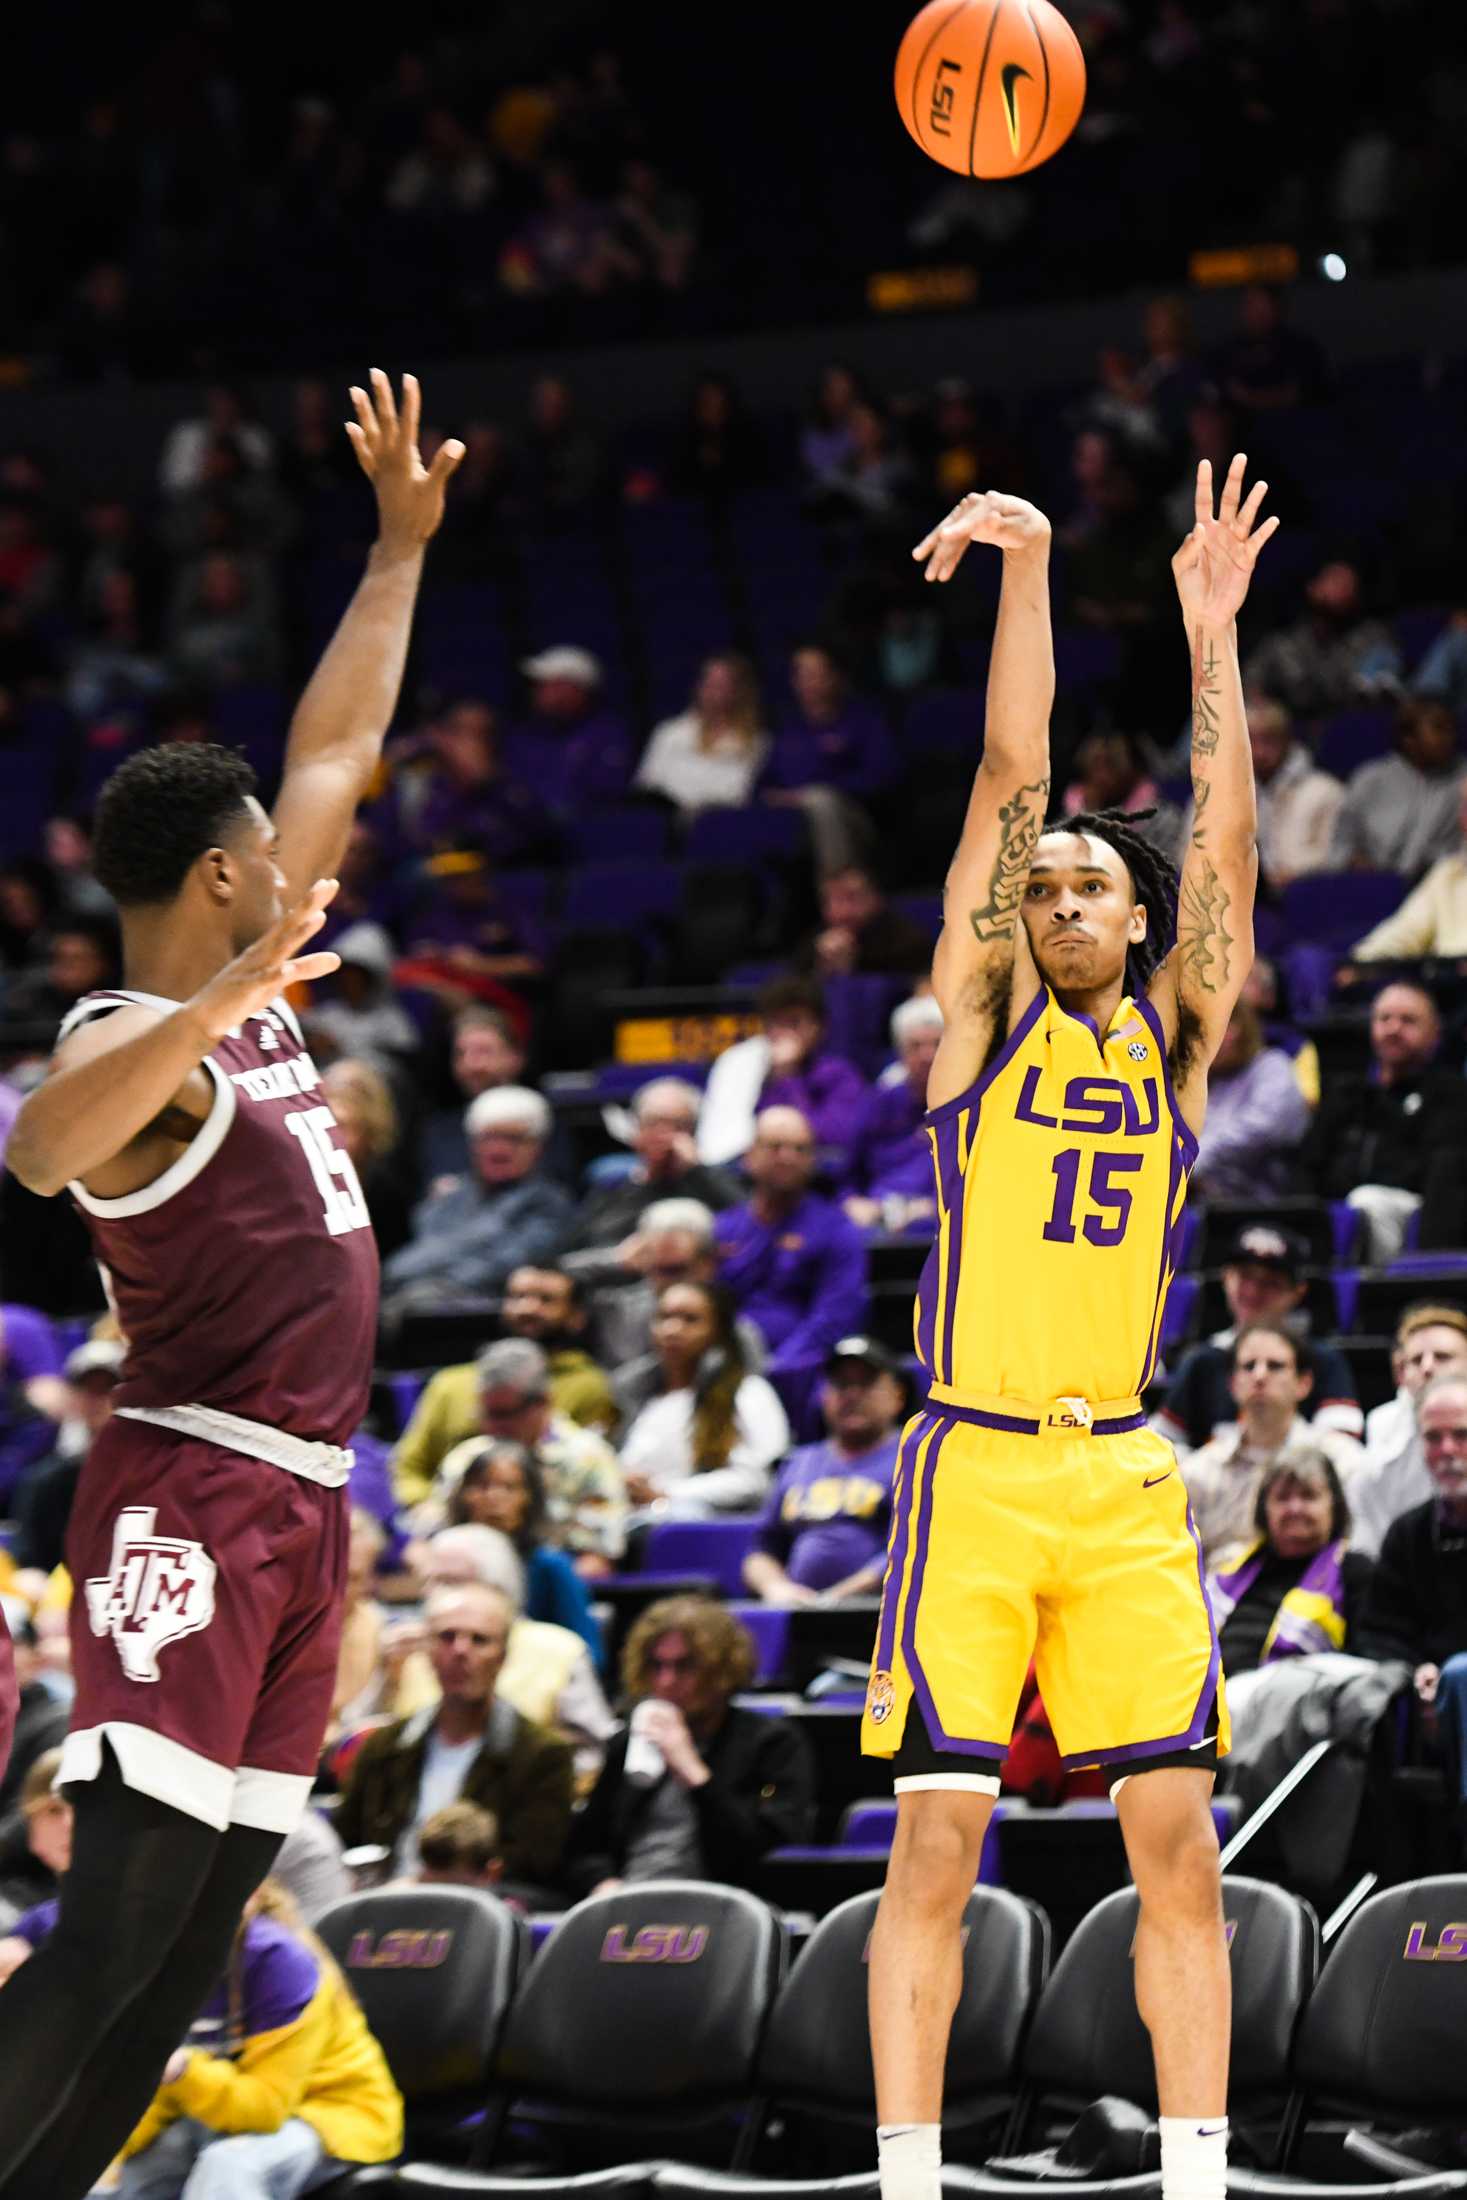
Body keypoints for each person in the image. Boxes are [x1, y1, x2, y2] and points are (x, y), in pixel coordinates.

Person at [0, 369, 463, 2200]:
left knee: (189, 1964)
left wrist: (397, 551)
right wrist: (224, 996)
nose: (303, 847)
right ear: (215, 877)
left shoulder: (241, 980)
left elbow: (339, 743)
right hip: (190, 1493)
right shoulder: (147, 1039)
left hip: (308, 1513)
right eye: (266, 849)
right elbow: (36, 1148)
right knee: (111, 1935)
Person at [863, 456, 1280, 2200]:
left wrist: (1210, 641)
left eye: (1084, 886)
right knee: (934, 1846)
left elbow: (1230, 845)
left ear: (1135, 907)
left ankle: (1194, 2177)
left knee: (1173, 1846)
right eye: (1034, 893)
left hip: (1115, 1481)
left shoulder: (1180, 1042)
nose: (1055, 903)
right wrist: (1026, 568)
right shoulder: (983, 1028)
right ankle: (905, 2178)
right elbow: (1006, 772)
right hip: (968, 1466)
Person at [100, 1874, 402, 2194]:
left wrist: (181, 2069)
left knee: (229, 2166)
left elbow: (265, 2108)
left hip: (330, 2113)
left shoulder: (281, 1961)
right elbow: (156, 2094)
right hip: (216, 2116)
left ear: (251, 1894)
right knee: (133, 2170)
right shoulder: (167, 1963)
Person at [332, 1580, 574, 1885]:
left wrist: (427, 1883)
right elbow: (344, 1841)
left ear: (502, 1655)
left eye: (479, 1640)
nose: (461, 1651)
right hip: (380, 1904)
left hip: (478, 1911)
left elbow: (534, 1862)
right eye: (447, 1637)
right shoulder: (383, 1747)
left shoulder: (542, 1755)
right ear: (427, 1650)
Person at [566, 1595, 814, 1894]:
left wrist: (693, 1772)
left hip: (729, 1909)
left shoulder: (773, 1743)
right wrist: (602, 1882)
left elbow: (762, 1852)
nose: (666, 1681)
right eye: (657, 1666)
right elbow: (583, 1849)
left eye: (684, 1667)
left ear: (721, 1670)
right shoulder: (631, 1742)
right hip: (627, 1902)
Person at [388, 1266, 615, 1520]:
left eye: (545, 1299)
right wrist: (424, 1505)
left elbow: (579, 1476)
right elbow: (409, 1465)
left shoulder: (589, 1387)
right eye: (517, 1297)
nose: (527, 1308)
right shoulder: (451, 1386)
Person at [399, 1527, 615, 1789]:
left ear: (499, 1586)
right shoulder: (415, 1647)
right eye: (430, 1581)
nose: (434, 1594)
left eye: (451, 1582)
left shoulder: (559, 1650)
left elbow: (596, 1753)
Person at [397, 1337, 625, 1571]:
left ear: (544, 1402)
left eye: (503, 1414)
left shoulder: (589, 1459)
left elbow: (597, 1560)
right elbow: (420, 1545)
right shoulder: (467, 1456)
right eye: (485, 1413)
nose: (491, 1426)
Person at [1356, 1374, 1467, 1846]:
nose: (1447, 1450)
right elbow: (1379, 1629)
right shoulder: (1408, 1534)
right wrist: (1414, 1667)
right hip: (1433, 1695)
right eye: (1434, 1437)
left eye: (1461, 1435)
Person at [1153, 1224, 1362, 1454]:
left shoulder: (1323, 1359)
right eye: (1245, 1277)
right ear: (1226, 1278)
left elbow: (1343, 1452)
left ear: (1298, 1291)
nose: (1253, 1292)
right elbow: (1159, 1445)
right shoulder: (1202, 1360)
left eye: (1271, 1282)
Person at [1302, 980, 1467, 1260]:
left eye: (1408, 1021)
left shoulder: (1452, 1095)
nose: (1393, 1028)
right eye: (1384, 1018)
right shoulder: (1346, 1093)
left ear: (1435, 1034)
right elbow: (1308, 1163)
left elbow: (1439, 1176)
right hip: (1346, 1206)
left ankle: (1382, 1288)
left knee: (1368, 1201)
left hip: (1415, 1209)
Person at [1180, 1325, 1365, 1567]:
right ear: (1233, 1384)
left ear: (1304, 1383)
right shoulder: (1197, 1472)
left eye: (1275, 1366)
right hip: (1220, 1600)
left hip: (1317, 1595)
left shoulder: (1344, 1460)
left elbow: (1357, 1548)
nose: (1259, 1376)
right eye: (1248, 1366)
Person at [744, 1337, 906, 1603]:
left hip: (877, 1612)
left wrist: (837, 1598)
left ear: (897, 1395)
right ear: (824, 1396)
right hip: (797, 1613)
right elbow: (761, 1551)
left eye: (866, 1384)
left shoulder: (913, 1458)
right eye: (841, 1385)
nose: (852, 1395)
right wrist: (775, 1587)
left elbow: (910, 1550)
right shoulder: (798, 1462)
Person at [381, 1086, 574, 1307]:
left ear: (538, 1146)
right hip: (409, 1295)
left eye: (513, 1139)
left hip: (478, 1310)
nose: (498, 1150)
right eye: (488, 1138)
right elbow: (406, 1261)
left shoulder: (550, 1204)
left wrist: (430, 1281)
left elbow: (503, 1268)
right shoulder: (450, 1197)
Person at [1207, 1451, 1373, 1704]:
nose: (1295, 1508)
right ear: (1265, 1509)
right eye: (1282, 1498)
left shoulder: (1354, 1571)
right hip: (1211, 1700)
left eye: (1308, 1496)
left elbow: (1363, 1664)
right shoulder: (1231, 1570)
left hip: (1293, 1708)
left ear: (1334, 1506)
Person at [714, 1108, 870, 1371]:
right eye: (775, 1147)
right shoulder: (723, 1228)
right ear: (749, 1156)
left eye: (800, 1149)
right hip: (725, 1364)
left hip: (801, 1369)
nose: (787, 1158)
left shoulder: (836, 1229)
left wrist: (775, 1368)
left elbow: (834, 1316)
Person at [618, 1281, 789, 1516]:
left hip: (703, 1525)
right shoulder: (636, 1395)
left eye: (690, 1319)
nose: (672, 1329)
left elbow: (757, 1479)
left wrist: (666, 1493)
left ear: (718, 1332)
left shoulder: (748, 1392)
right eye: (663, 1317)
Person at [441, 1440, 603, 1667]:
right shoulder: (446, 1560)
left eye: (508, 1487)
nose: (493, 1497)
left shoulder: (550, 1566)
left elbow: (588, 1653)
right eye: (481, 1485)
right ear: (463, 1495)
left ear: (529, 1498)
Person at [699, 976, 870, 1172]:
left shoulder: (840, 1074)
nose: (782, 1033)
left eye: (793, 1023)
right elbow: (733, 1135)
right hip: (755, 1175)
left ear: (819, 1028)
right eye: (774, 1024)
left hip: (816, 1176)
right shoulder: (751, 1068)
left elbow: (836, 1136)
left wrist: (788, 1077)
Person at [1352, 1304, 1467, 1559]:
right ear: (1400, 1374)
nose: (1427, 1368)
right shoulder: (1378, 1450)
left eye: (1443, 1356)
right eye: (1416, 1360)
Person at [569, 1078, 740, 1250]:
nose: (662, 1135)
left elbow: (747, 1224)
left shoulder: (714, 1181)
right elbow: (592, 1242)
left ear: (693, 1132)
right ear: (637, 1132)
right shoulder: (611, 1184)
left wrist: (696, 1172)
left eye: (677, 1125)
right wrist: (649, 1180)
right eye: (652, 1124)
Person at [9, 1335, 124, 1579]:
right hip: (58, 1599)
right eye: (88, 1389)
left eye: (107, 1388)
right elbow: (29, 1562)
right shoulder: (45, 1481)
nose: (98, 1400)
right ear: (73, 1397)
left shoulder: (153, 1474)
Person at [1244, 558, 1398, 719]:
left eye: (1349, 584)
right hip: (1292, 732)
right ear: (1312, 588)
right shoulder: (1282, 645)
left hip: (1352, 727)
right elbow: (1250, 681)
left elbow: (1387, 691)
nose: (1343, 589)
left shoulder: (1373, 639)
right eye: (1335, 581)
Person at [1190, 1000, 1311, 1201]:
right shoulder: (1208, 1080)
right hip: (1201, 1199)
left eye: (1221, 1026)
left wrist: (1194, 1160)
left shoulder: (1272, 1066)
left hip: (1258, 1202)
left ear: (1244, 1028)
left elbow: (1261, 1130)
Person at [1330, 698, 1464, 879]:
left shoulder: (1462, 777)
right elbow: (1342, 840)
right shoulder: (1371, 779)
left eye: (1451, 730)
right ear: (1409, 739)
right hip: (1373, 883)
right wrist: (1353, 860)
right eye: (1439, 729)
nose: (1450, 738)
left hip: (1439, 883)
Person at [843, 996, 944, 1233]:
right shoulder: (877, 1104)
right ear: (900, 1053)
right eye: (915, 1046)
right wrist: (852, 1202)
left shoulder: (975, 1107)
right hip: (878, 1217)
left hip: (943, 1223)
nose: (927, 1056)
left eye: (937, 1044)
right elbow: (849, 1178)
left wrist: (936, 1205)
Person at [633, 653, 770, 816]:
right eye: (708, 681)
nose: (712, 690)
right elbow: (646, 784)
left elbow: (742, 795)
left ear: (740, 691)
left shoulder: (756, 742)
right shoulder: (669, 732)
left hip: (719, 826)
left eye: (722, 683)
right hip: (664, 823)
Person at [1349, 776, 1467, 962]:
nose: (1464, 819)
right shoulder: (1448, 874)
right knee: (1396, 992)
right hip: (1450, 985)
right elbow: (1403, 933)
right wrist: (1359, 964)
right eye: (1465, 807)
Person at [418, 1005, 529, 1184]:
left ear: (515, 1058)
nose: (471, 1065)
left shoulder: (541, 1124)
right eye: (461, 1054)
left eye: (484, 1052)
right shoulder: (438, 1130)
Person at [1245, 689, 1344, 891]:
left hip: (1307, 896)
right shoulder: (1219, 795)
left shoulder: (1326, 791)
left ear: (1287, 740)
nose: (1259, 752)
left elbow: (1336, 853)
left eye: (1268, 740)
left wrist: (1293, 872)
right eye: (1250, 741)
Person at [794, 863, 934, 983]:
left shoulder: (907, 940)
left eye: (852, 898)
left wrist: (851, 966)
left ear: (876, 898)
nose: (843, 911)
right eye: (833, 901)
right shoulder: (817, 942)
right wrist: (823, 967)